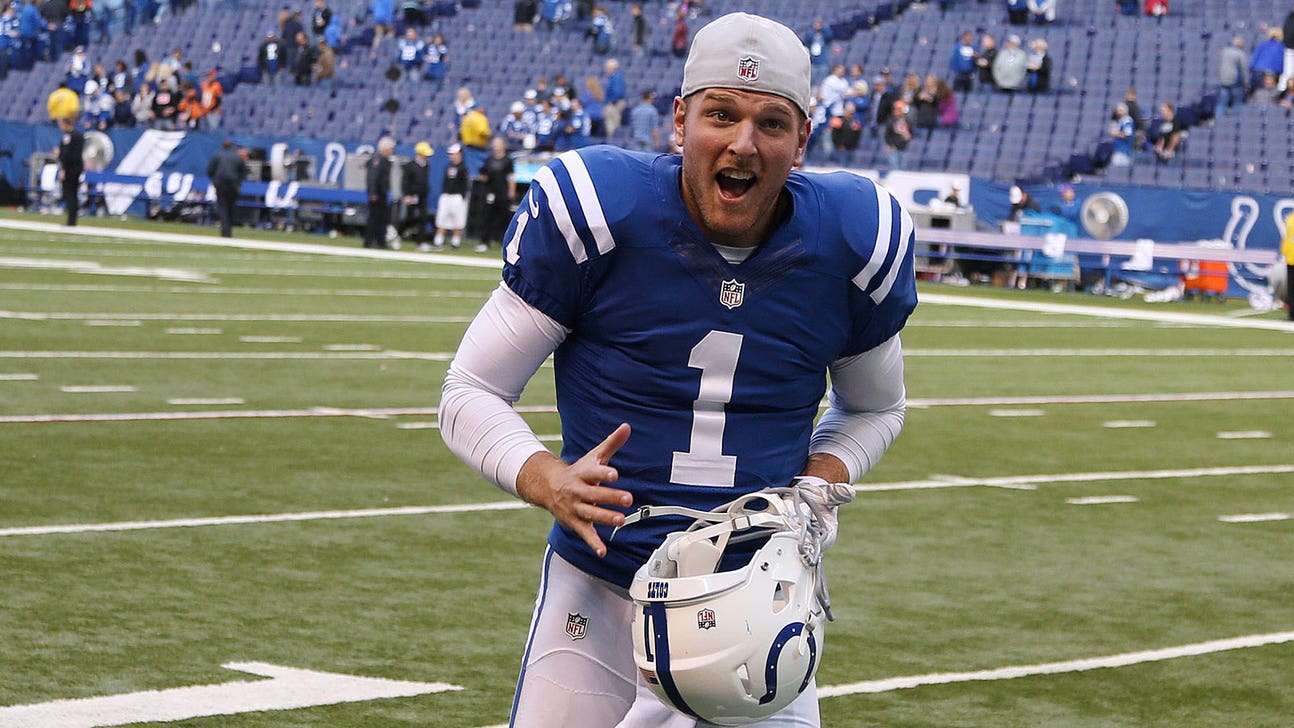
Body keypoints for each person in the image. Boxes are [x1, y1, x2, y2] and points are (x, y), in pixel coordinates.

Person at [439, 13, 915, 726]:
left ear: (803, 141)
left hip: (757, 607)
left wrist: (823, 478)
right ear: (680, 120)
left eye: (772, 123)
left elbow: (877, 407)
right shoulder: (604, 210)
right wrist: (547, 479)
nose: (743, 143)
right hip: (599, 593)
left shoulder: (851, 240)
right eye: (721, 115)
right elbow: (469, 390)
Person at [473, 136, 515, 253]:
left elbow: (511, 177)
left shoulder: (507, 160)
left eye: (498, 144)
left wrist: (511, 191)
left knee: (504, 218)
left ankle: (504, 242)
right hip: (491, 193)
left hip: (503, 193)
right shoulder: (489, 160)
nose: (495, 146)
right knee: (487, 217)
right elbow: (484, 175)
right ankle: (484, 241)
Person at [206, 139, 247, 237]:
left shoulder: (218, 156)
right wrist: (238, 182)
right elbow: (243, 172)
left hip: (220, 183)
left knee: (223, 206)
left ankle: (225, 230)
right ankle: (228, 230)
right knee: (231, 207)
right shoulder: (237, 157)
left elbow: (210, 170)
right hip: (233, 185)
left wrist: (214, 180)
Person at [432, 143, 468, 249]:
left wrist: (462, 196)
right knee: (442, 218)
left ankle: (455, 242)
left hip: (457, 196)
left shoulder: (463, 168)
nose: (452, 156)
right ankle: (438, 240)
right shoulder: (448, 166)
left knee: (458, 219)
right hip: (446, 195)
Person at [363, 136, 395, 249]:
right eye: (391, 148)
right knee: (374, 218)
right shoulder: (377, 160)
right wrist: (372, 192)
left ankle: (380, 241)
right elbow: (372, 177)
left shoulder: (385, 160)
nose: (392, 151)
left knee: (382, 218)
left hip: (382, 193)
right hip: (377, 194)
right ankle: (370, 241)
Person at [400, 141, 432, 250]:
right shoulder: (410, 166)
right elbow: (405, 182)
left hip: (422, 196)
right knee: (410, 217)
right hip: (412, 195)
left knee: (423, 218)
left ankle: (420, 242)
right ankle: (398, 233)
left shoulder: (426, 165)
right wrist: (407, 195)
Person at [56, 116, 84, 226]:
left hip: (70, 169)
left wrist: (63, 168)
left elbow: (67, 154)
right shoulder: (79, 136)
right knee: (73, 193)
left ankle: (71, 220)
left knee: (69, 193)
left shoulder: (70, 136)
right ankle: (72, 220)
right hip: (76, 168)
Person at [1215, 36, 1247, 118]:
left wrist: (1220, 77)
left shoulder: (1224, 52)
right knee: (1237, 102)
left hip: (1223, 80)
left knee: (1222, 102)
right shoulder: (1240, 53)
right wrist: (1245, 83)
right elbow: (1244, 70)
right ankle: (1233, 121)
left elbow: (1219, 66)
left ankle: (1218, 119)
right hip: (1235, 81)